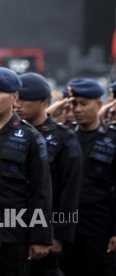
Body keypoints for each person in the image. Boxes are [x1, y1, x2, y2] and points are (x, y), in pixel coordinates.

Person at [0, 67, 53, 276]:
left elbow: (41, 190)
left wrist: (41, 237)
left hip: (13, 232)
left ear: (15, 96)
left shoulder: (31, 137)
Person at [15, 72, 83, 276]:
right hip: (14, 224)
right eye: (17, 98)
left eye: (26, 99)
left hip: (47, 225)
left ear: (44, 101)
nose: (19, 104)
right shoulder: (11, 133)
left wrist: (58, 234)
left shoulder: (64, 138)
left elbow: (70, 191)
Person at [59, 78, 116, 275]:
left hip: (99, 227)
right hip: (67, 227)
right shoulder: (65, 137)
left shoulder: (112, 139)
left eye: (84, 104)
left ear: (99, 105)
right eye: (74, 104)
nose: (78, 109)